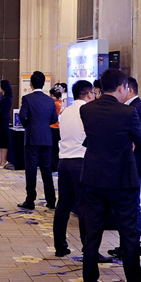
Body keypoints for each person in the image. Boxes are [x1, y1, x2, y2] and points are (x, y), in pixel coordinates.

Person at [79, 69, 141, 282]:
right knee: (129, 235)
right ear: (121, 87)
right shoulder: (128, 112)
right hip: (122, 182)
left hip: (93, 179)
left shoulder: (86, 109)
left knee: (92, 235)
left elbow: (93, 138)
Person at [52, 80, 95, 258]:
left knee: (63, 205)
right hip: (81, 162)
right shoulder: (87, 111)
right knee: (85, 207)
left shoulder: (66, 111)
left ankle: (60, 246)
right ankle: (88, 249)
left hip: (64, 162)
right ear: (88, 94)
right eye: (93, 93)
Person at [18, 71, 59, 210]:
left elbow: (22, 116)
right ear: (44, 84)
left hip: (31, 138)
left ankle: (30, 200)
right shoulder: (50, 100)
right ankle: (51, 200)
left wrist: (29, 126)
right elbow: (54, 119)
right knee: (46, 170)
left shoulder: (27, 99)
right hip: (46, 138)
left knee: (31, 170)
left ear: (31, 84)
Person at [0, 80, 13, 168]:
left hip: (3, 121)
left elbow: (1, 111)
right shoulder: (1, 97)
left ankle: (4, 161)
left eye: (0, 86)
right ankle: (1, 161)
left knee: (3, 141)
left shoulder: (7, 98)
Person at [49, 88, 63, 172]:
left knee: (52, 148)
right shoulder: (61, 103)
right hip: (58, 127)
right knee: (56, 148)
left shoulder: (53, 104)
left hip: (52, 126)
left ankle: (53, 166)